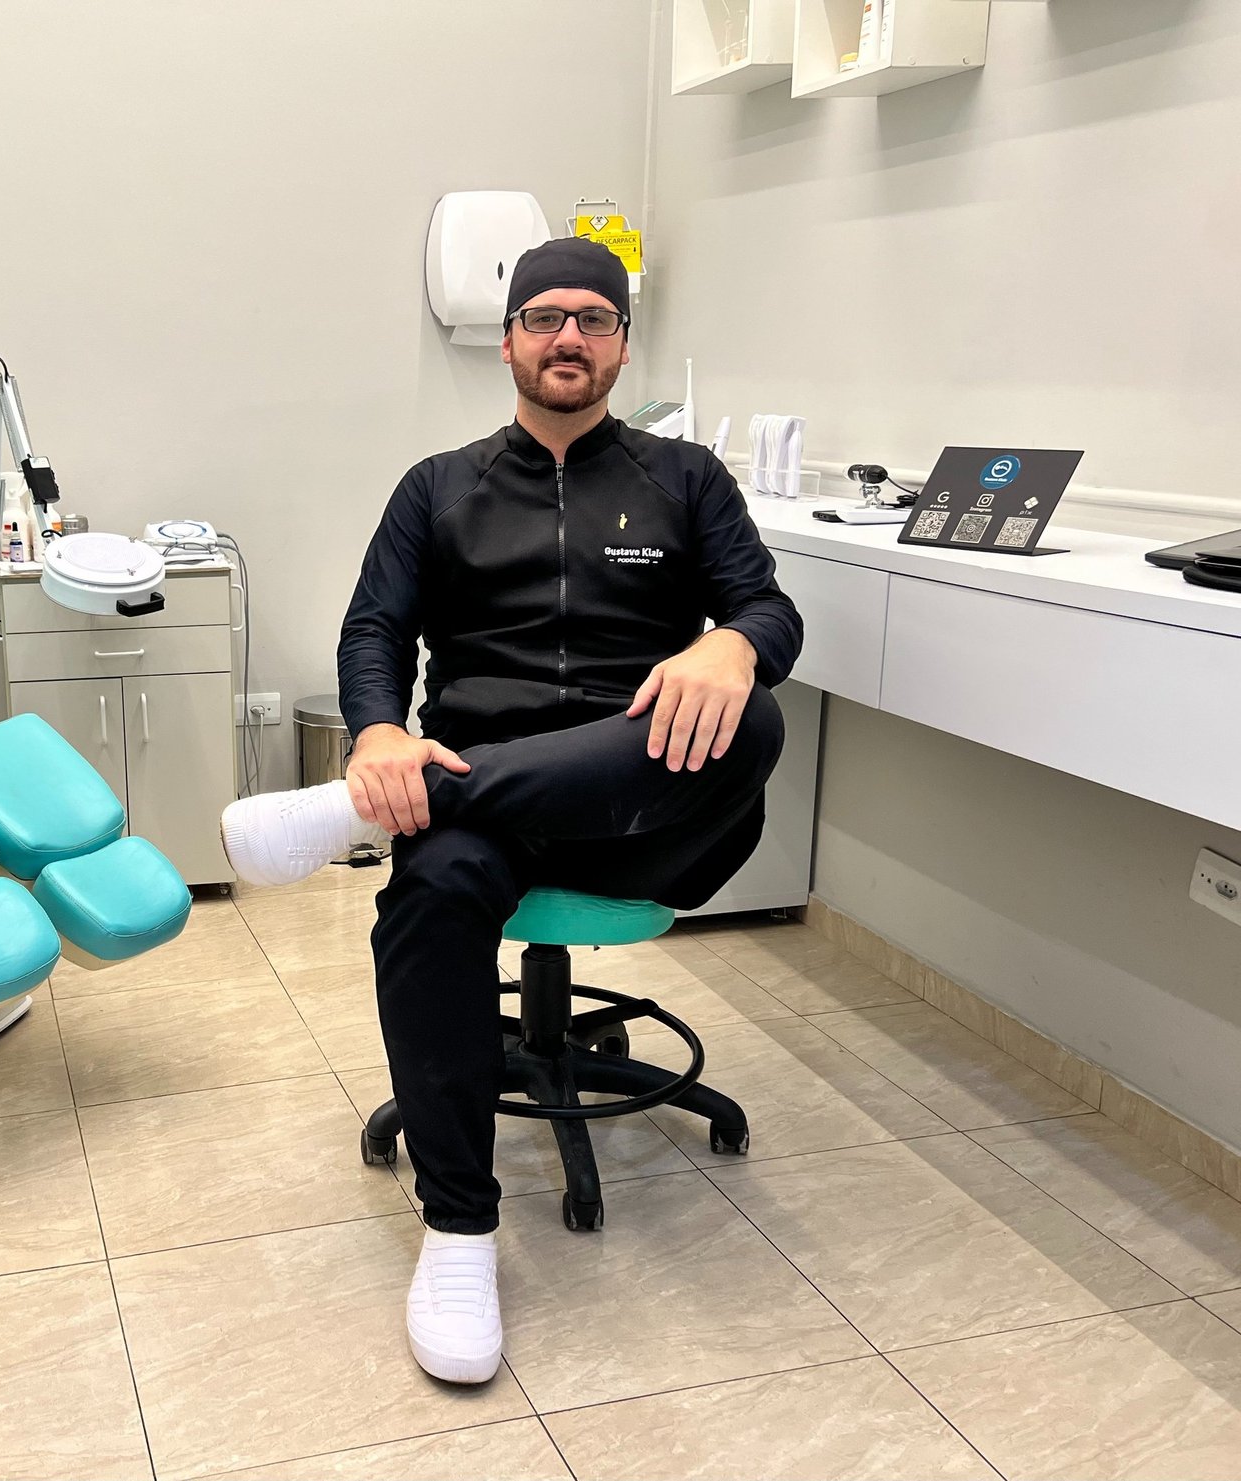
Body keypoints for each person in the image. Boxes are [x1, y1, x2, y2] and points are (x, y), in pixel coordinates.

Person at [220, 236, 802, 1384]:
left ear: (623, 343)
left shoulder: (687, 479)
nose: (568, 336)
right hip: (484, 823)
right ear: (509, 342)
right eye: (545, 316)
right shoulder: (437, 487)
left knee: (758, 717)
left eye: (594, 317)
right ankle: (458, 1230)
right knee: (434, 889)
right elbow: (375, 629)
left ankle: (378, 809)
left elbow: (768, 607)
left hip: (648, 814)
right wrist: (379, 734)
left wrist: (735, 644)